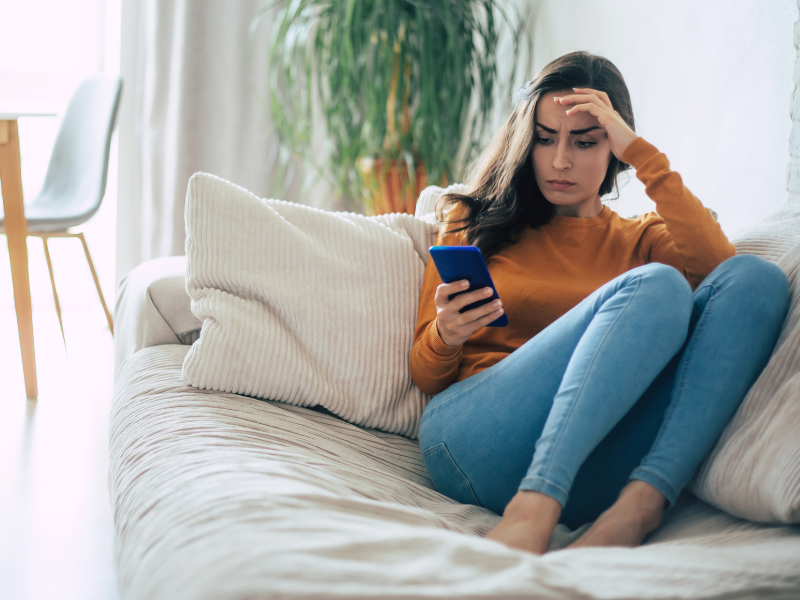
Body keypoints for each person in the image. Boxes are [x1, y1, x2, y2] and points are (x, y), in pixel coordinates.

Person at [408, 50, 790, 556]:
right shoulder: (469, 217)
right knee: (655, 285)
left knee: (755, 280)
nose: (560, 160)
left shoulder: (643, 239)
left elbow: (723, 271)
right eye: (544, 139)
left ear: (614, 147)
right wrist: (446, 336)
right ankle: (533, 508)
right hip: (474, 440)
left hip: (594, 469)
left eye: (585, 142)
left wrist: (645, 156)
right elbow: (425, 374)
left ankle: (641, 505)